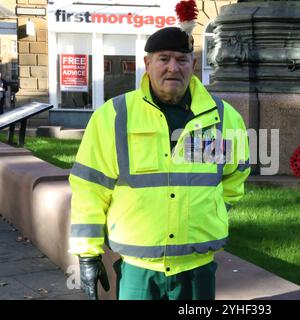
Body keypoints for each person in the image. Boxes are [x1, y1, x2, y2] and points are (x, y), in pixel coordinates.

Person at [68, 3, 250, 301]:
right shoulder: (114, 115)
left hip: (198, 266)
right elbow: (90, 188)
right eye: (163, 59)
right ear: (147, 63)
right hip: (140, 269)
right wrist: (87, 254)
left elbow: (236, 176)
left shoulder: (224, 116)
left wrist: (212, 210)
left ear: (193, 64)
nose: (173, 67)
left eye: (182, 59)